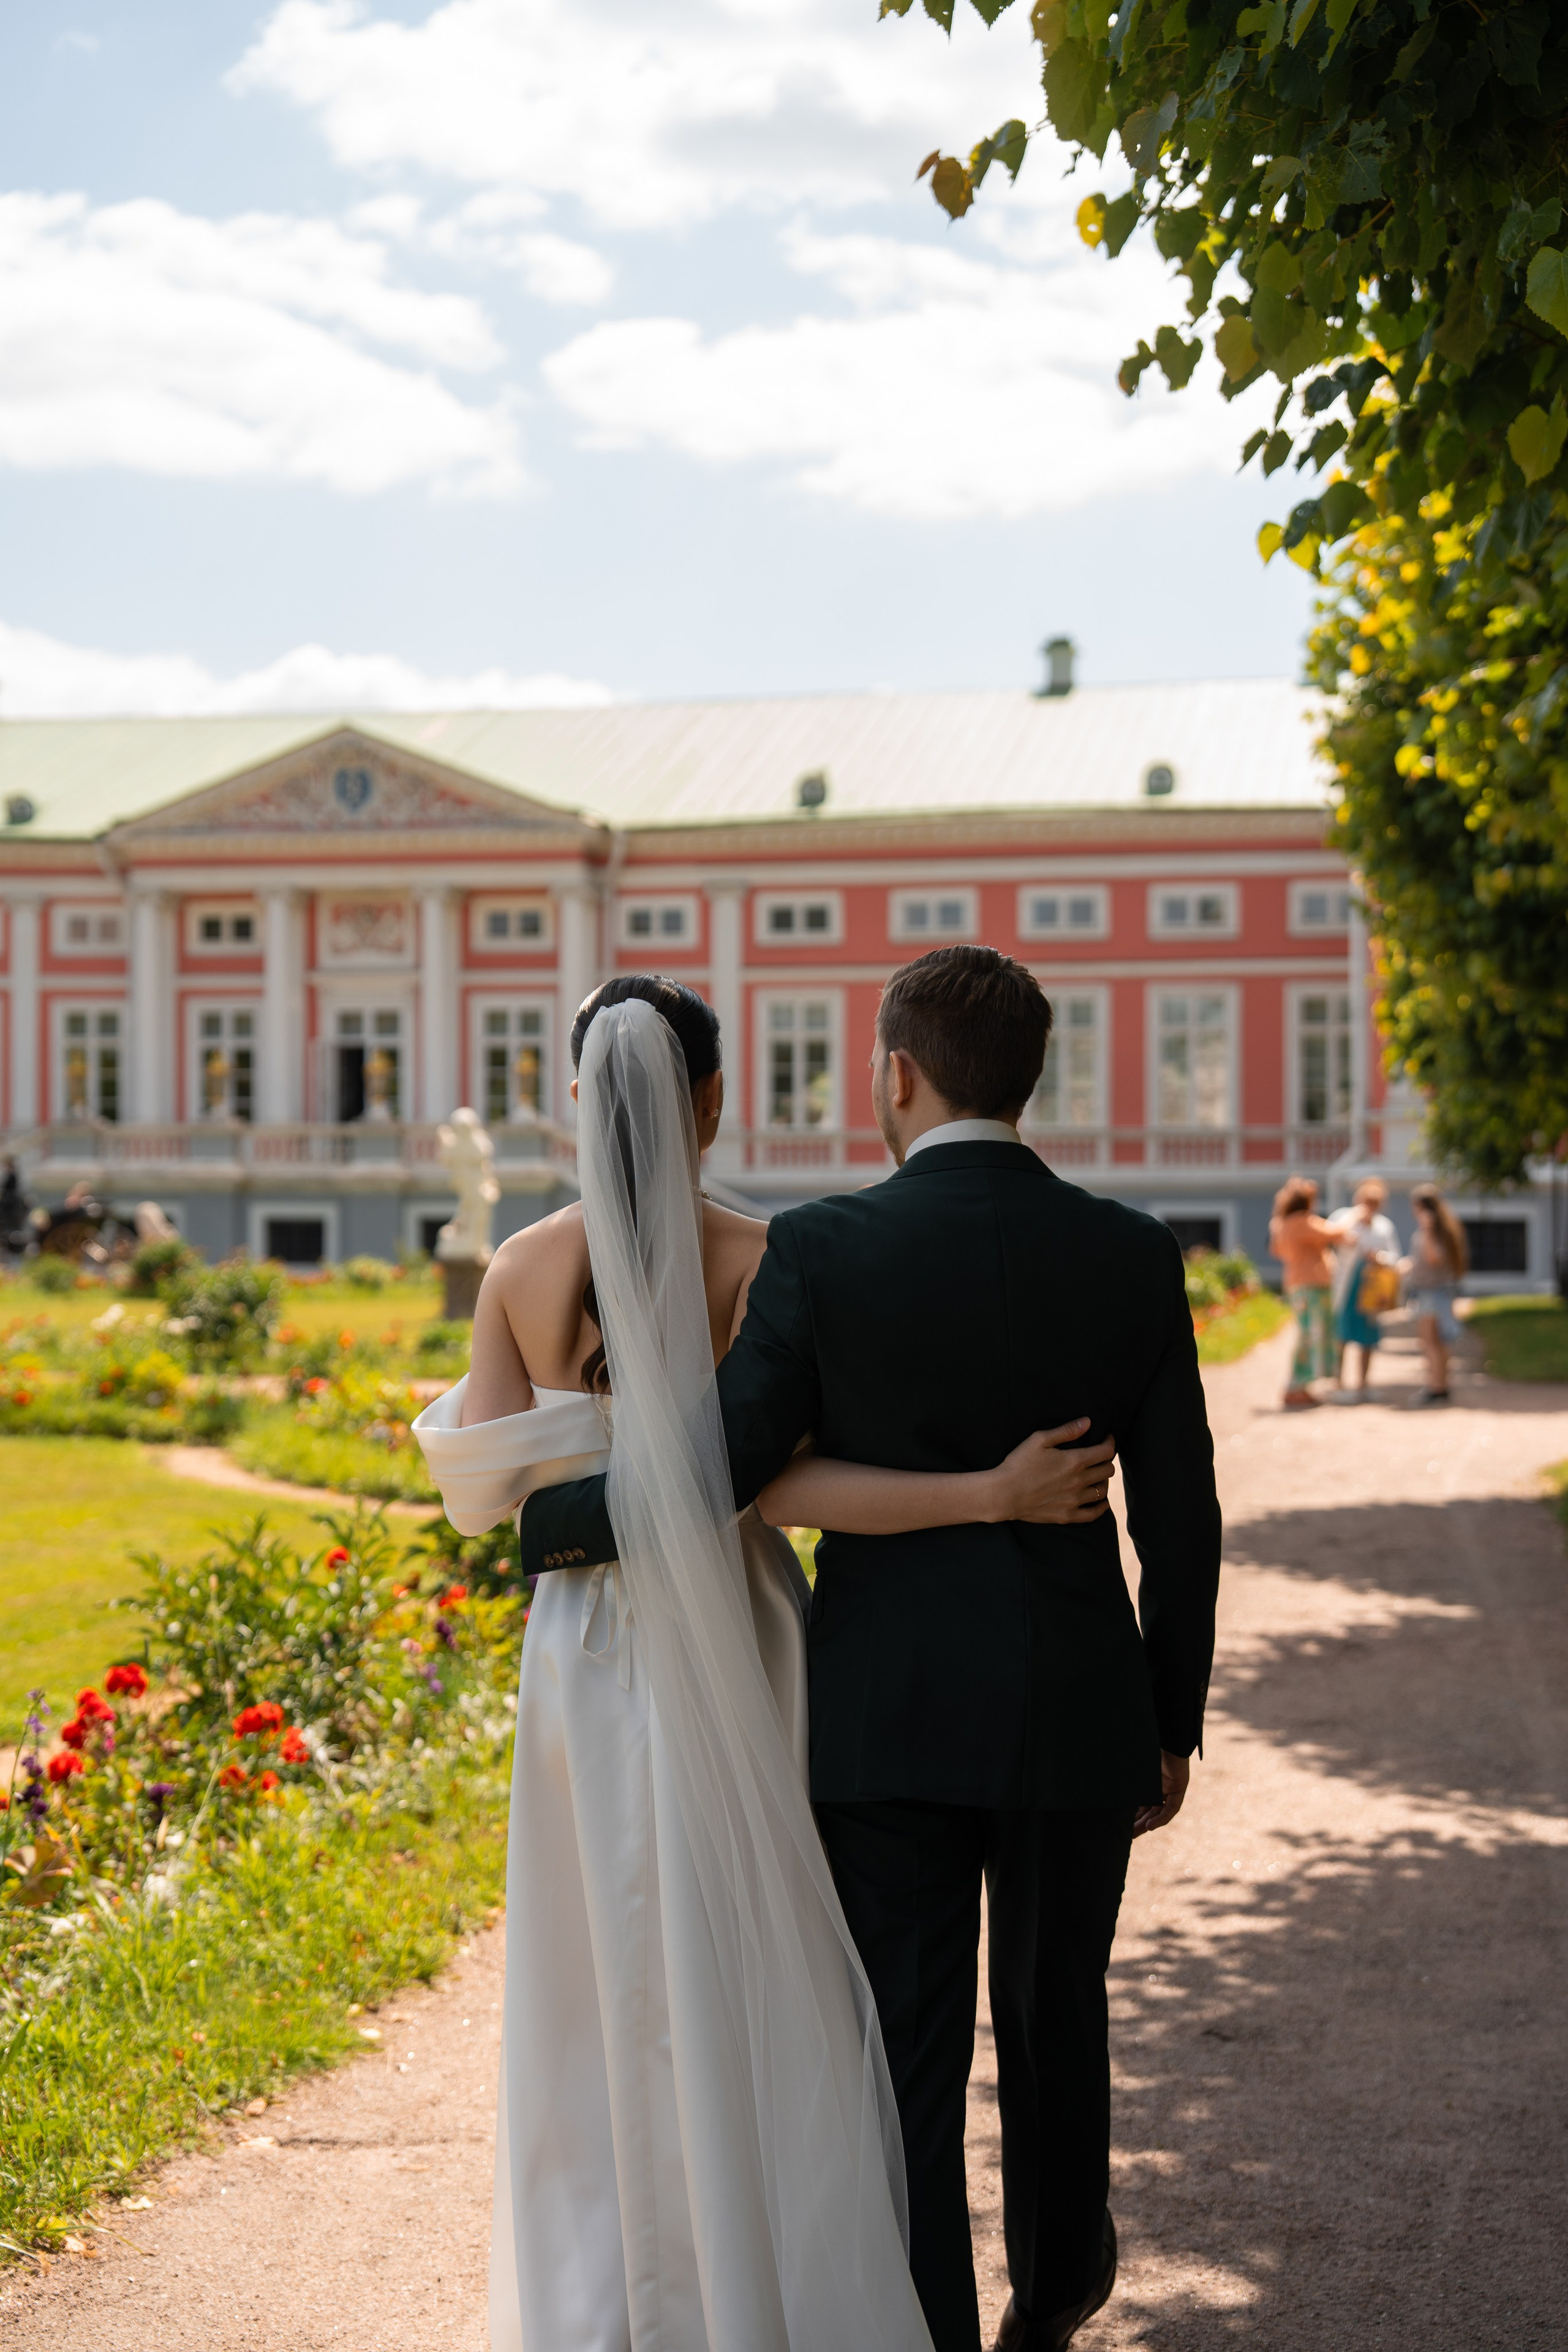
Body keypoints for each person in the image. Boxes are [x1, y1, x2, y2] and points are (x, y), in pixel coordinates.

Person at [519, 948, 1221, 2352]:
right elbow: (1181, 1511)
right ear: (1027, 1079)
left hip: (885, 1719)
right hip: (1072, 1709)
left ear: (896, 1074)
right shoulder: (1132, 1251)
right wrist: (1166, 1717)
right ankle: (1055, 2291)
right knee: (1055, 2011)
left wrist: (549, 1524)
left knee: (904, 2045)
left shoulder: (826, 1247)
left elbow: (718, 1464)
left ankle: (928, 2327)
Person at [1268, 1175, 1339, 1410]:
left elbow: (1276, 1251)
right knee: (1311, 1336)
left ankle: (1300, 1386)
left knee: (1306, 1335)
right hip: (1312, 1285)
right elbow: (1335, 1233)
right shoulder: (1303, 1222)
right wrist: (1357, 1215)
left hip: (1296, 1284)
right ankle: (1295, 1386)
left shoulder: (1281, 1224)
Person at [1326, 1178, 1399, 1402]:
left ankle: (1363, 1384)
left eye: (1374, 1203)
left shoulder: (1384, 1227)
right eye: (1366, 1201)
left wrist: (1378, 1257)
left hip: (1370, 1289)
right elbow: (1329, 1237)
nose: (1369, 1207)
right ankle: (1338, 1383)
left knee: (1368, 1338)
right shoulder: (1344, 1218)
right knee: (1340, 1336)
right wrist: (1353, 1219)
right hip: (1346, 1287)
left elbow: (1394, 1257)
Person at [1400, 1181, 1469, 1407]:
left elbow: (1434, 1259)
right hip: (1433, 1291)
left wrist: (1427, 1230)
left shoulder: (1433, 1231)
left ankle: (1436, 1388)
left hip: (1431, 1293)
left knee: (1430, 1342)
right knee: (1438, 1342)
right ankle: (1440, 1386)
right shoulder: (1444, 1229)